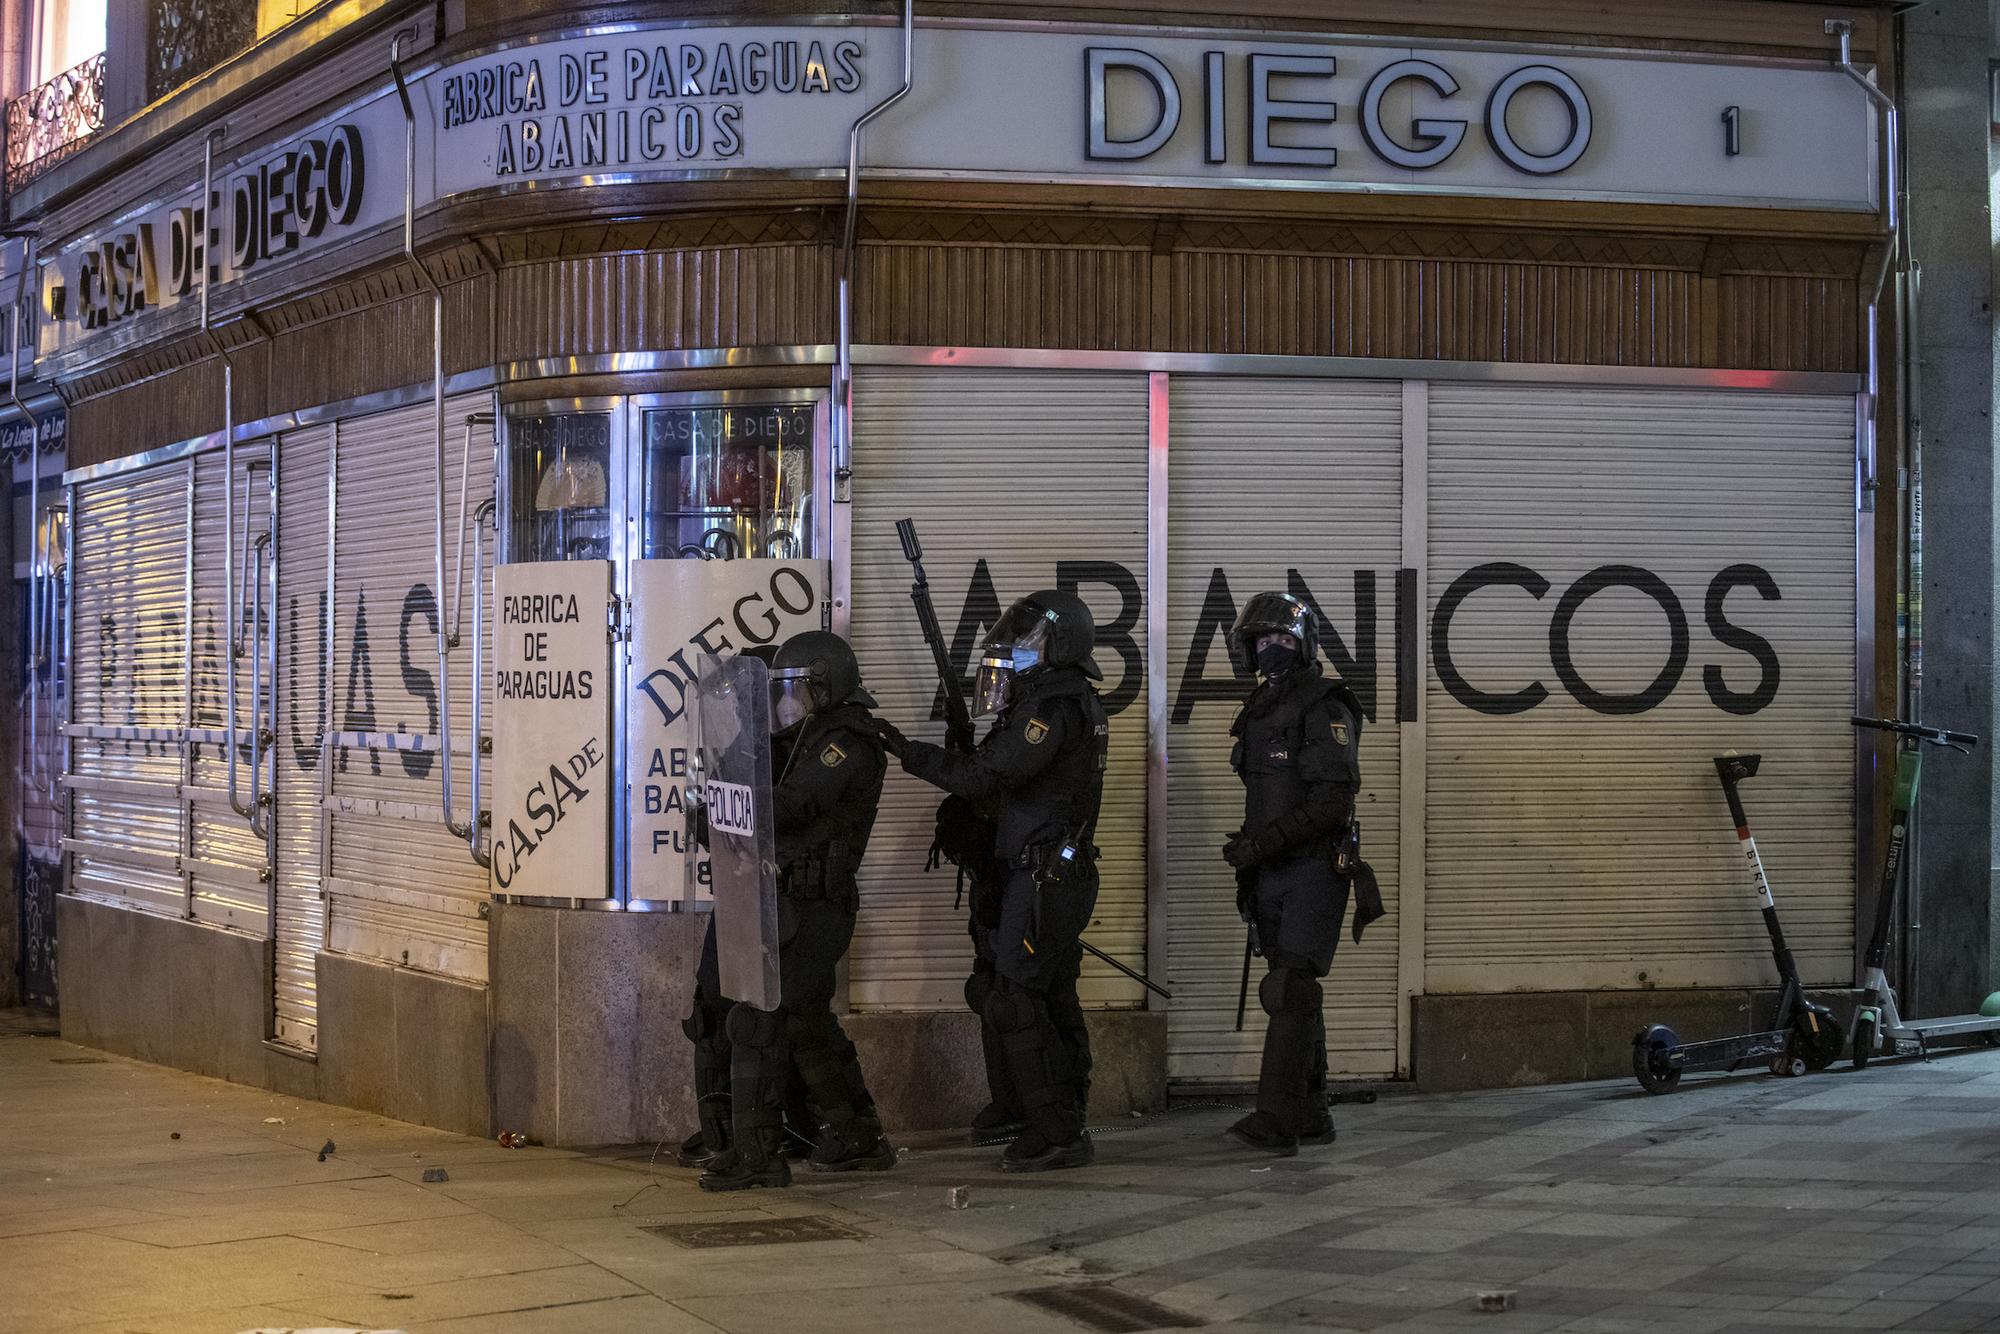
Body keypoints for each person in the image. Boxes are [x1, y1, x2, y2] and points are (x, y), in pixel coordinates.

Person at [877, 590, 1109, 1172]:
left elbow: (985, 776)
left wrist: (909, 753)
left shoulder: (1051, 709)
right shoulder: (1050, 701)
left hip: (1047, 875)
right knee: (1037, 993)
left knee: (1017, 999)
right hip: (1040, 872)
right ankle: (1038, 1108)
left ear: (1062, 646)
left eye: (1031, 641)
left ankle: (1057, 1131)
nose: (1015, 650)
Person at [699, 630, 895, 1191]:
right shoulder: (804, 736)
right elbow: (747, 785)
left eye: (795, 690)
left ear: (824, 686)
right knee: (805, 1025)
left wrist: (722, 810)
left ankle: (758, 1154)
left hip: (816, 906)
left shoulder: (847, 743)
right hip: (784, 900)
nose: (786, 702)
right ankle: (857, 1135)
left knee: (759, 1020)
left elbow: (787, 805)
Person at [1222, 591, 1365, 1157]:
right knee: (1294, 994)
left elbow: (1332, 801)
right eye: (1263, 641)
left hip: (1312, 867)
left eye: (1283, 639)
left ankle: (1276, 1122)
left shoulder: (1324, 704)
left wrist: (1264, 843)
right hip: (1272, 869)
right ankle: (1310, 1112)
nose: (1272, 649)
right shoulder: (1262, 706)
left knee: (1288, 988)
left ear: (1304, 645)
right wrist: (1252, 846)